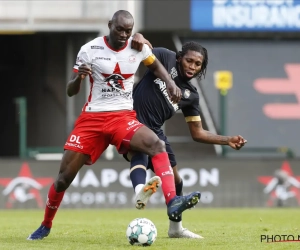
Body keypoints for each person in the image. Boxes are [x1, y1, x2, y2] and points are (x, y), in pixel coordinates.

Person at [27, 10, 201, 240]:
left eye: (128, 31)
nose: (124, 35)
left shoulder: (137, 47)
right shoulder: (90, 49)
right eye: (119, 29)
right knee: (63, 179)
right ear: (110, 25)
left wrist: (169, 82)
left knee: (156, 144)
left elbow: (155, 65)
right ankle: (46, 224)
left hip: (122, 117)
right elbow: (71, 92)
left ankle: (172, 202)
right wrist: (79, 77)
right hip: (92, 119)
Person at [124, 39, 247, 238]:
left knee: (176, 180)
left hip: (156, 131)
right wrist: (138, 36)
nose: (192, 66)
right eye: (189, 61)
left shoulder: (191, 96)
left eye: (198, 64)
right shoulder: (164, 56)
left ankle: (175, 229)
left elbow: (197, 132)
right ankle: (139, 191)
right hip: (130, 119)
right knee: (139, 153)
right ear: (180, 57)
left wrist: (227, 140)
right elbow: (140, 49)